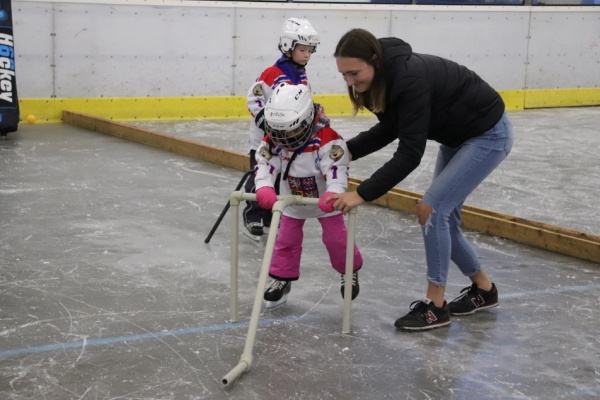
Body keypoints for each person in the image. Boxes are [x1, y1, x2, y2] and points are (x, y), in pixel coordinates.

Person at [329, 28, 514, 331]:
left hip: (488, 135)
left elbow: (410, 153)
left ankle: (436, 306)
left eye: (354, 72)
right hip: (458, 138)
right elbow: (392, 128)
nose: (350, 81)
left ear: (374, 59)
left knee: (431, 211)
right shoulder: (382, 78)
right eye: (343, 75)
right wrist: (345, 152)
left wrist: (361, 193)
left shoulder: (408, 79)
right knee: (443, 219)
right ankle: (484, 290)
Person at [254, 83, 363, 309]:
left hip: (325, 202)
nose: (284, 138)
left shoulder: (327, 138)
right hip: (292, 201)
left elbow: (336, 168)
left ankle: (349, 270)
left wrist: (334, 192)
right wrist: (264, 186)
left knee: (337, 240)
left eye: (290, 131)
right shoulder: (275, 136)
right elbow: (265, 162)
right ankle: (282, 279)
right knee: (285, 242)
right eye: (278, 131)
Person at [243, 17, 320, 241]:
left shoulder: (302, 75)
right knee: (261, 176)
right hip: (264, 142)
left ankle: (269, 216)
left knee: (280, 179)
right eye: (303, 49)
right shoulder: (272, 73)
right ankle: (253, 216)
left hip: (289, 142)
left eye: (310, 50)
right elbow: (254, 99)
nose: (307, 55)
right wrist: (265, 123)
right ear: (288, 46)